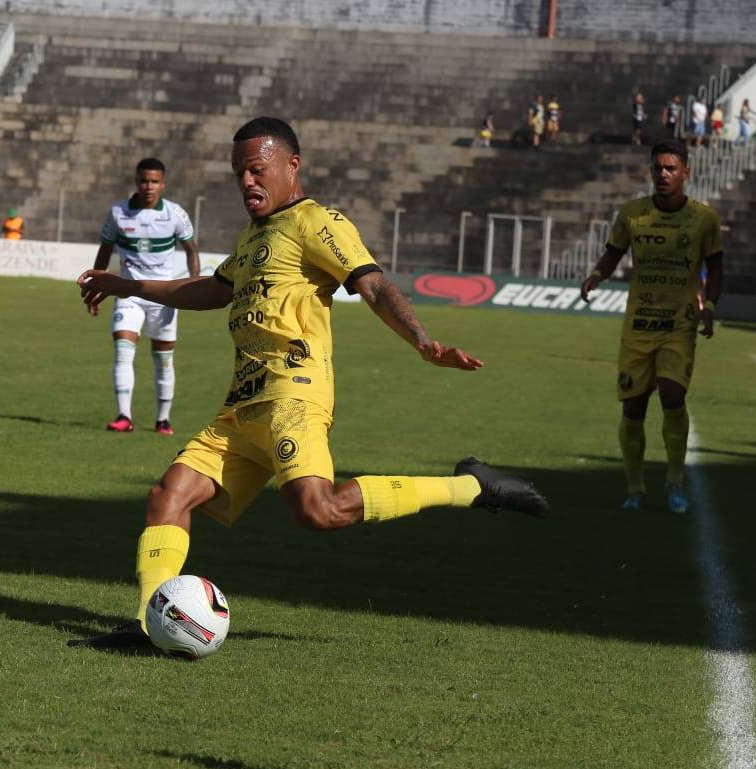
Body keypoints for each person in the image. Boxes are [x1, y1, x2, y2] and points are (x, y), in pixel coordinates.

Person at [69, 117, 549, 650]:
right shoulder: (254, 235)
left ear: (291, 166)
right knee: (167, 498)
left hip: (293, 396)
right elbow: (211, 289)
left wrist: (422, 341)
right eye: (238, 173)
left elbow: (374, 286)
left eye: (257, 169)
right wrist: (126, 284)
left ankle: (472, 487)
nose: (247, 181)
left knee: (318, 510)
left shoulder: (316, 222)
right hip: (243, 405)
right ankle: (147, 626)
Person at [579, 139, 723, 514]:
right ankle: (635, 488)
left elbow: (717, 265)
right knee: (633, 409)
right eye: (658, 168)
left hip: (679, 323)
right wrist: (596, 275)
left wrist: (710, 306)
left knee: (673, 395)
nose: (663, 174)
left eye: (670, 168)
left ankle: (674, 482)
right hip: (638, 325)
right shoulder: (632, 213)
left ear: (686, 172)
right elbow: (614, 252)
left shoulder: (704, 219)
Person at [89, 158, 200, 435]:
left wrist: (193, 284)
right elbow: (105, 249)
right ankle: (124, 416)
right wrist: (95, 284)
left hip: (164, 295)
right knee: (123, 351)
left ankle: (163, 420)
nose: (148, 186)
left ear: (162, 184)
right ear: (136, 181)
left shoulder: (175, 214)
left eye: (154, 181)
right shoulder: (118, 213)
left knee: (163, 359)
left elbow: (191, 249)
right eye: (143, 181)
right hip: (128, 293)